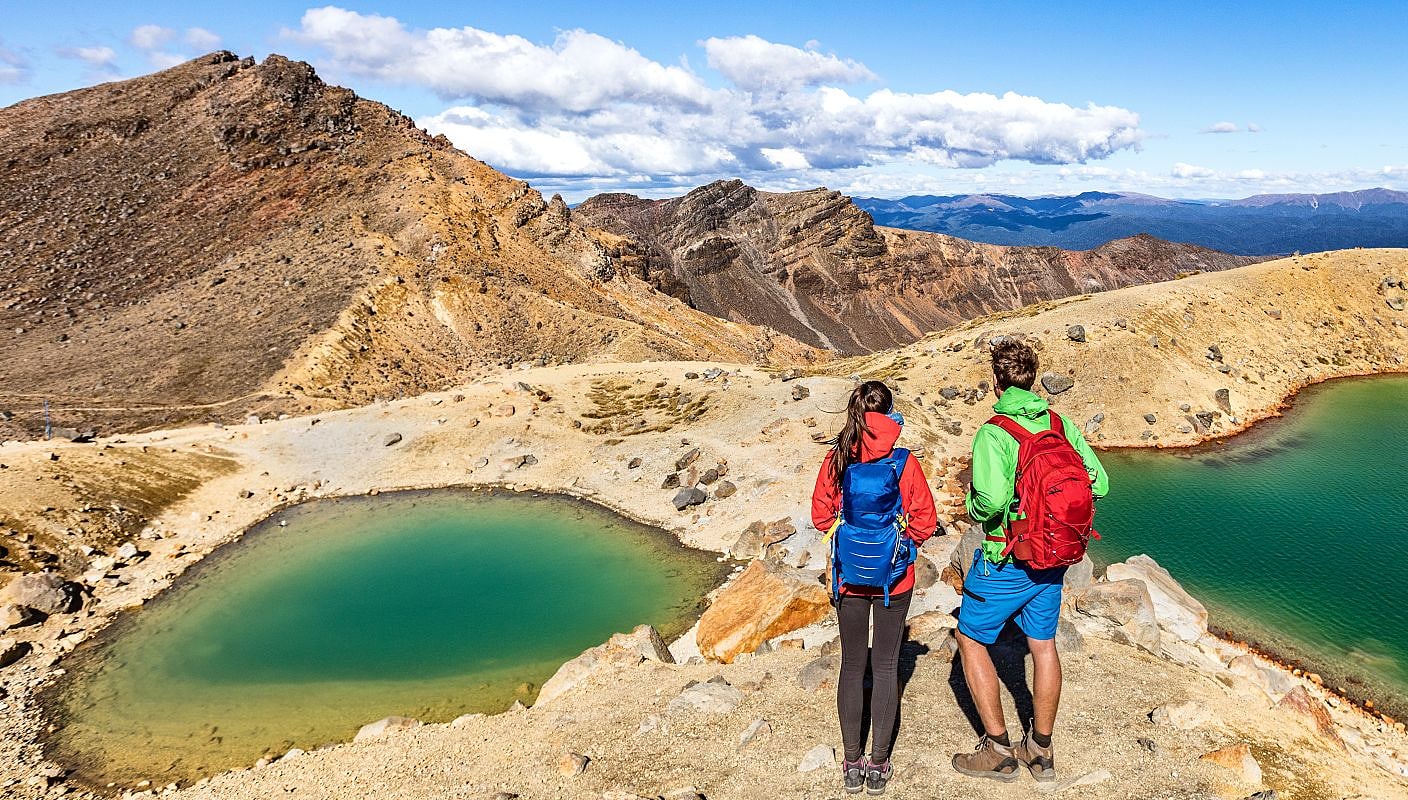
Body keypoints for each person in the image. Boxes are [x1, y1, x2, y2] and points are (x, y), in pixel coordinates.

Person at [952, 340, 1108, 783]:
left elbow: (991, 501)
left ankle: (999, 750)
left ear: (997, 380)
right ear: (1033, 377)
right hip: (1054, 559)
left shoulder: (994, 432)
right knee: (1043, 646)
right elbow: (1100, 482)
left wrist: (975, 502)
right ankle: (1040, 750)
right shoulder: (1059, 423)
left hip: (1008, 558)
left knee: (970, 638)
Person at [812, 380, 939, 795]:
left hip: (849, 576)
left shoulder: (837, 459)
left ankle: (851, 763)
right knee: (885, 667)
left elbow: (820, 516)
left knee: (852, 665)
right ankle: (878, 764)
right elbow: (925, 519)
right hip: (894, 579)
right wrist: (900, 545)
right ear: (890, 413)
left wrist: (847, 533)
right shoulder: (904, 462)